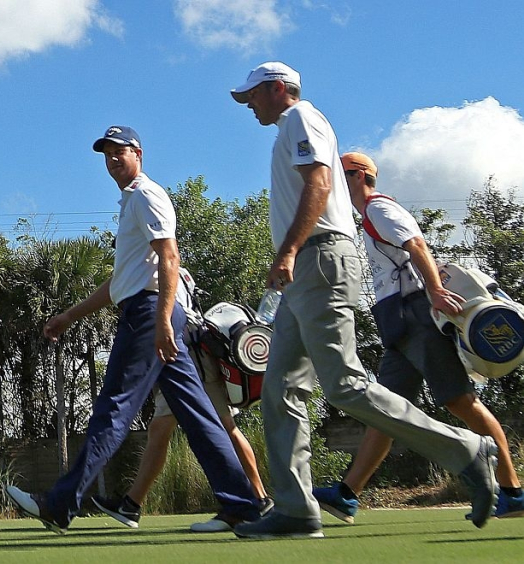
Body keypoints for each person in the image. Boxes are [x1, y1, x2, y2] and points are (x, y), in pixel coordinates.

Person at [228, 62, 498, 539]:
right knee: (279, 391)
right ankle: (296, 509)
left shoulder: (300, 118)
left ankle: (466, 450)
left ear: (276, 89)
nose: (248, 105)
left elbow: (320, 185)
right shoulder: (288, 128)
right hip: (302, 272)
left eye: (252, 95)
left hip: (319, 260)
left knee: (345, 385)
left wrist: (289, 251)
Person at [5, 125, 263, 533]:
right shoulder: (131, 203)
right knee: (198, 414)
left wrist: (161, 321)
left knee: (115, 407)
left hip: (150, 314)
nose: (112, 160)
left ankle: (59, 504)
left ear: (137, 153)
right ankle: (244, 505)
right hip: (147, 308)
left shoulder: (145, 195)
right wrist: (70, 315)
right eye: (106, 154)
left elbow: (170, 256)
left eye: (118, 152)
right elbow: (121, 282)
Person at [312, 152, 524, 522]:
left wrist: (436, 292)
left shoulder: (380, 209)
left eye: (338, 175)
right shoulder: (369, 216)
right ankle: (347, 495)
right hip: (399, 321)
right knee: (386, 411)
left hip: (416, 317)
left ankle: (513, 491)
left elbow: (417, 245)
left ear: (358, 176)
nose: (332, 185)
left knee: (461, 402)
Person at [92, 331, 274, 532]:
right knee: (162, 429)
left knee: (224, 427)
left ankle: (260, 499)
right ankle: (131, 504)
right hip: (182, 355)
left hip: (189, 357)